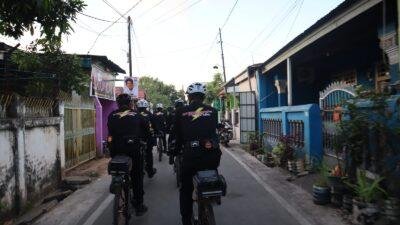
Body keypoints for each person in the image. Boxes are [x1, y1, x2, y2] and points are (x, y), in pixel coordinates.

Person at [173, 83, 222, 225]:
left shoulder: (180, 111)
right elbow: (213, 132)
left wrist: (174, 151)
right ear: (203, 97)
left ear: (189, 97)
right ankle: (213, 196)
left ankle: (186, 220)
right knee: (211, 173)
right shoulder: (213, 111)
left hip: (190, 156)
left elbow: (177, 135)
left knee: (186, 189)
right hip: (211, 155)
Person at [107, 94, 149, 215]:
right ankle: (139, 205)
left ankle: (115, 180)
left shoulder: (111, 115)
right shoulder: (137, 115)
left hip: (116, 149)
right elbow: (146, 130)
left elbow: (110, 131)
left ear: (118, 104)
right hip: (133, 149)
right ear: (130, 103)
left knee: (116, 165)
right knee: (137, 175)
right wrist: (146, 139)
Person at [136, 99, 157, 178]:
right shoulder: (149, 114)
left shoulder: (135, 114)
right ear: (146, 106)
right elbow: (154, 125)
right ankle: (150, 171)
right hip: (147, 137)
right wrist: (156, 131)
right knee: (149, 154)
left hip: (136, 138)